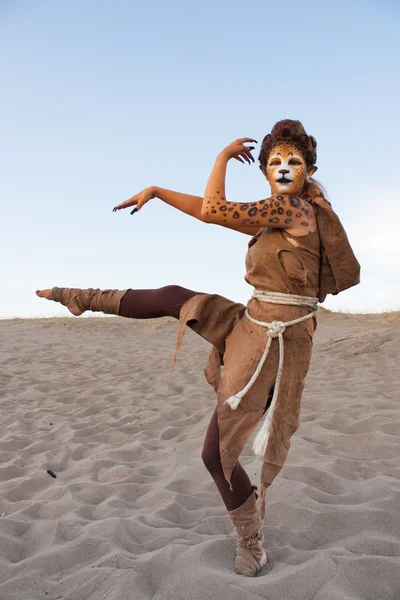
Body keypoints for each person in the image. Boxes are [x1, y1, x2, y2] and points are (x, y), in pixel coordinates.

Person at [36, 120, 360, 577]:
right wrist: (158, 191)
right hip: (251, 320)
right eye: (275, 163)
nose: (284, 168)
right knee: (177, 296)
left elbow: (212, 210)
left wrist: (222, 157)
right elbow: (213, 210)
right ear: (266, 172)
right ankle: (82, 297)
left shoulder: (293, 210)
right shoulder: (281, 210)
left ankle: (252, 540)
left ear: (308, 169)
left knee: (215, 454)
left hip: (274, 343)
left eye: (294, 162)